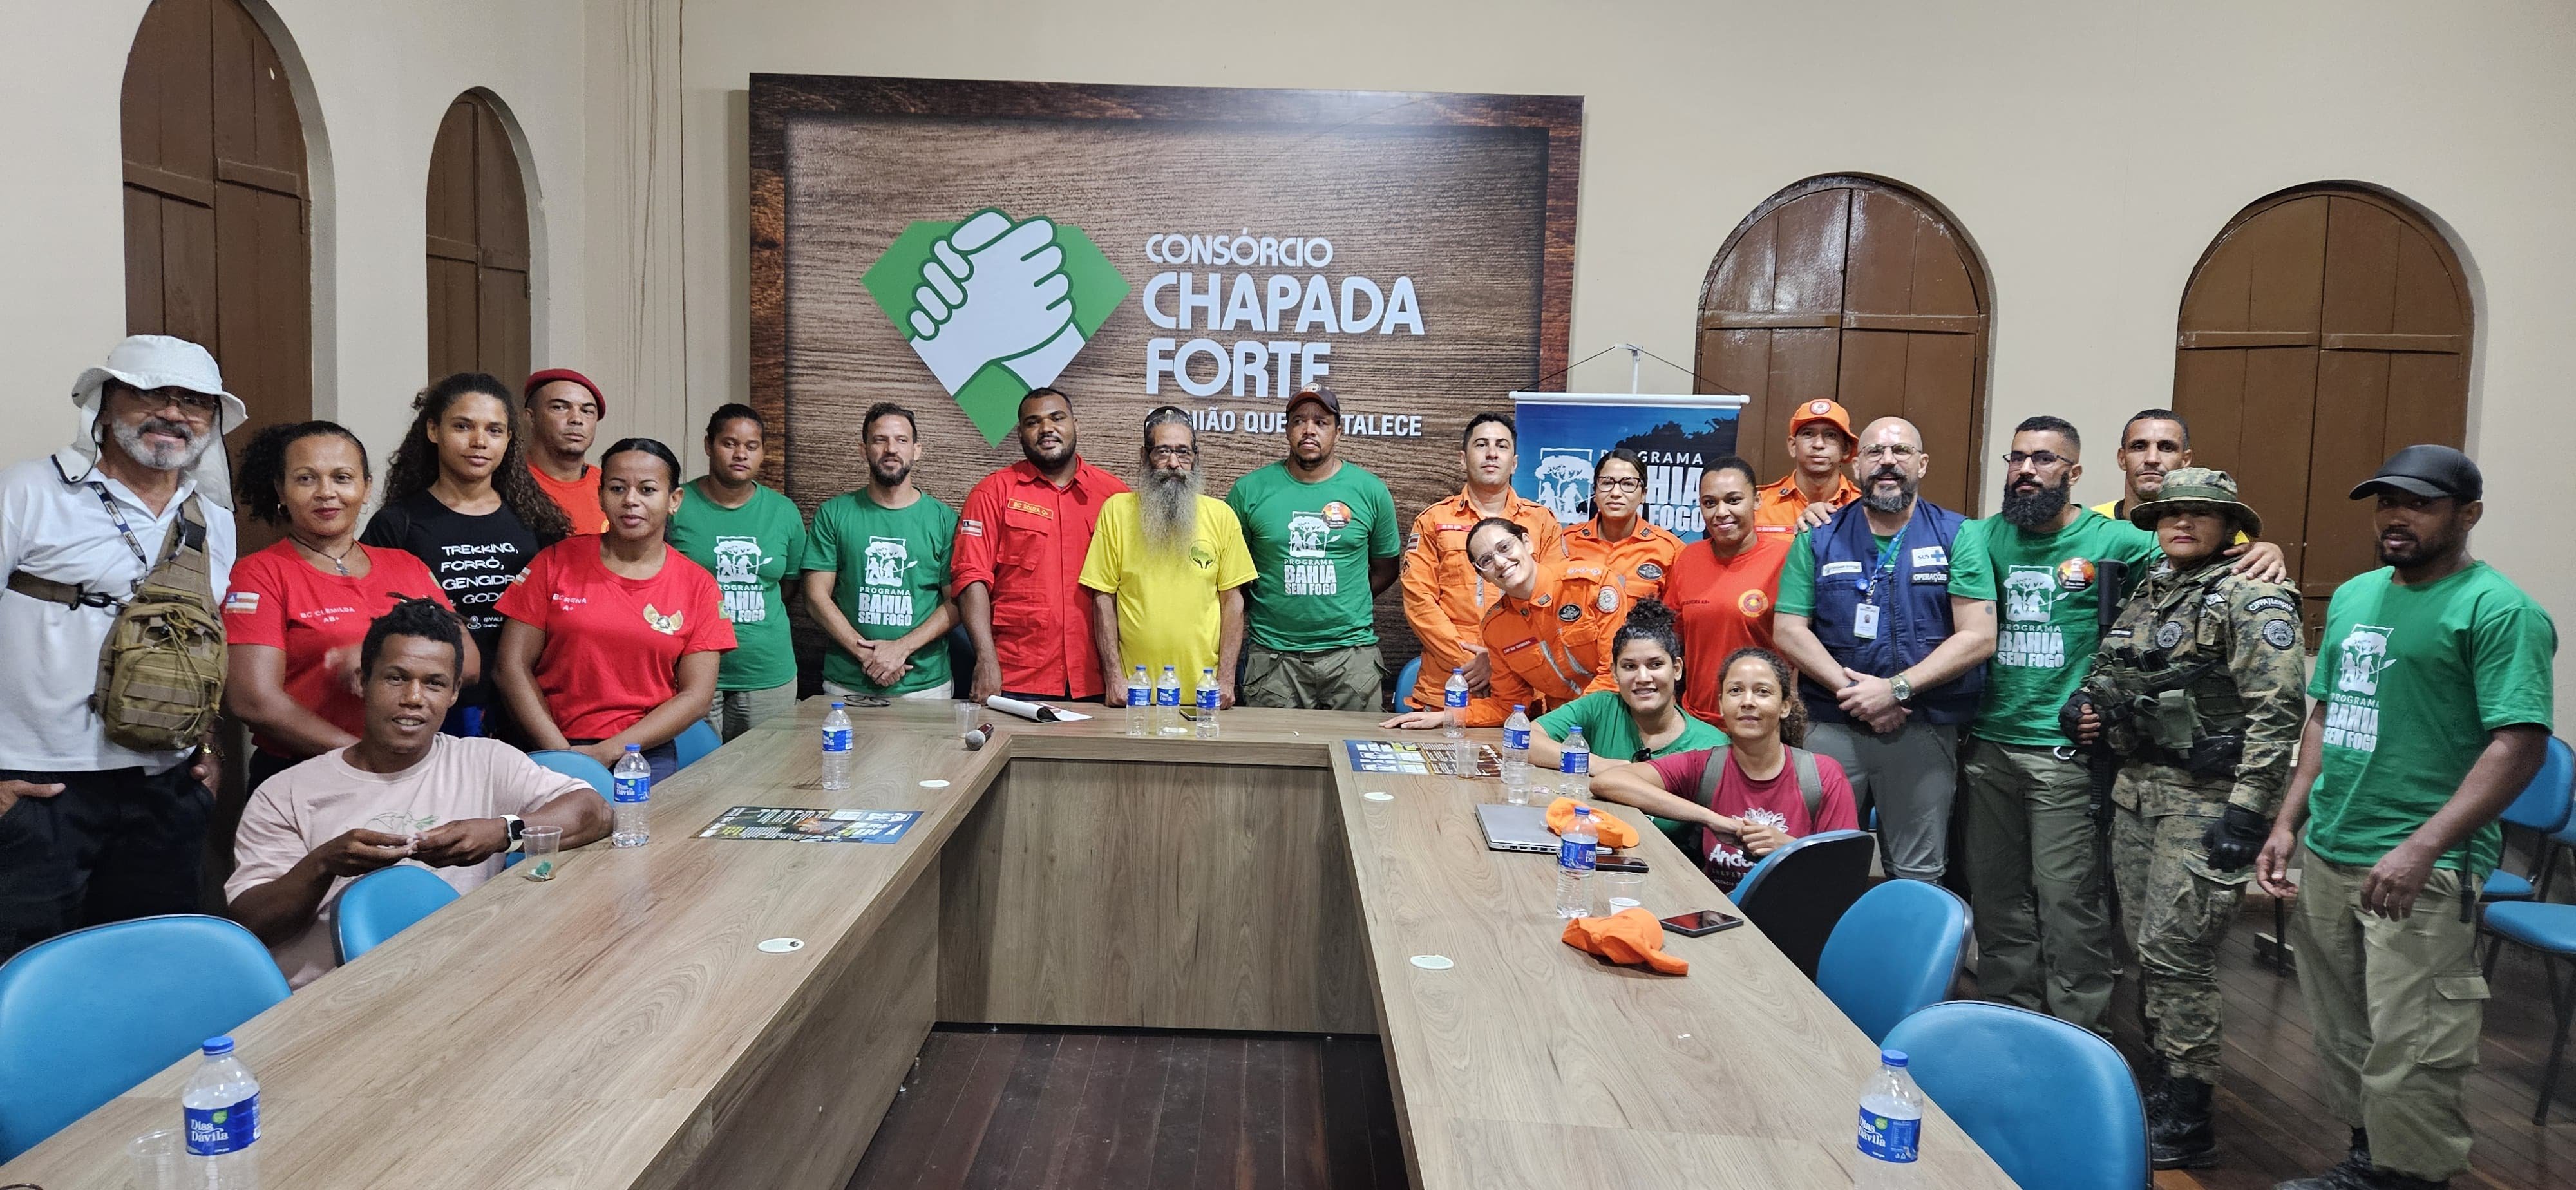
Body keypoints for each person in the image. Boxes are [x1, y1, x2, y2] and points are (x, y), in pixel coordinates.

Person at [2256, 446, 2554, 1190]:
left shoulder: (2500, 611)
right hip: (2330, 846)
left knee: (2418, 1040)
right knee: (2344, 1028)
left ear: (2468, 514)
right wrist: (2288, 823)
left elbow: (2518, 747)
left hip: (2422, 863)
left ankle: (2410, 1178)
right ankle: (2369, 1159)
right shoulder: (2357, 595)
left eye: (2418, 504)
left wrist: (2424, 847)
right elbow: (2325, 719)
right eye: (2386, 501)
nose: (2395, 517)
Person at [1948, 416, 2287, 1036]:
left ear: (2074, 473)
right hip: (1991, 745)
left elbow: (2200, 553)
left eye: (2045, 460)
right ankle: (2007, 1021)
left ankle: (2080, 1034)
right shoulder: (1981, 535)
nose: (2028, 470)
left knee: (2069, 903)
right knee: (1997, 901)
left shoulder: (2119, 541)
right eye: (2018, 458)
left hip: (2066, 757)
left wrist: (2263, 548)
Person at [2065, 468, 2304, 1169]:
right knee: (2147, 950)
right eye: (2171, 512)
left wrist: (2248, 812)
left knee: (2178, 954)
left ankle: (2190, 1112)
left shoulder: (2253, 595)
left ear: (2228, 523)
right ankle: (2163, 1081)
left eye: (2200, 514)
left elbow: (2276, 712)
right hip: (2140, 788)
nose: (2182, 523)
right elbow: (2116, 668)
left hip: (2209, 799)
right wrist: (2082, 703)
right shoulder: (2153, 588)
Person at [225, 600, 610, 988]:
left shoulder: (486, 761)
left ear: (455, 692)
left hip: (459, 982)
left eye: (434, 683)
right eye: (396, 678)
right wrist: (323, 865)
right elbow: (252, 926)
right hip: (332, 998)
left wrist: (502, 832)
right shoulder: (284, 793)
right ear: (363, 681)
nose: (414, 697)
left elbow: (594, 811)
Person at [0, 335, 238, 959]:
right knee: (23, 977)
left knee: (144, 970)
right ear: (105, 406)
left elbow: (202, 637)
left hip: (163, 786)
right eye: (151, 394)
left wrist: (205, 742)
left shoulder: (212, 516)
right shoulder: (28, 491)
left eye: (194, 402)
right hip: (40, 789)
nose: (174, 413)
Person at [1769, 417, 1994, 883]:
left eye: (1901, 452)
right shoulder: (1817, 536)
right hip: (1832, 725)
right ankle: (1814, 958)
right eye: (1875, 452)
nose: (1888, 462)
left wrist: (1897, 690)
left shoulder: (1960, 535)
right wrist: (1857, 693)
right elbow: (1789, 629)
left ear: (1923, 464)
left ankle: (1902, 956)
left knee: (1918, 872)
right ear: (1856, 465)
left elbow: (1979, 635)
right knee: (1819, 865)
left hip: (1923, 727)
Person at [223, 421, 466, 789]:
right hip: (305, 776)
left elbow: (469, 661)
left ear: (366, 488)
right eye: (306, 479)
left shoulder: (407, 565)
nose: (326, 493)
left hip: (412, 774)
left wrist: (374, 657)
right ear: (281, 490)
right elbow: (254, 701)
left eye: (342, 478)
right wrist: (362, 758)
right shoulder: (259, 574)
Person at [495, 438, 735, 784]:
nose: (631, 501)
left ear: (674, 501)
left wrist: (608, 752)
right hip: (551, 748)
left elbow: (697, 696)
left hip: (646, 754)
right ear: (600, 495)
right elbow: (511, 666)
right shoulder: (555, 562)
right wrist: (564, 754)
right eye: (618, 488)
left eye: (648, 490)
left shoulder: (697, 585)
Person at [363, 372, 573, 738]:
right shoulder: (397, 524)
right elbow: (374, 621)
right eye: (463, 426)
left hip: (529, 704)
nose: (479, 442)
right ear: (433, 430)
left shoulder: (536, 519)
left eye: (494, 431)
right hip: (436, 709)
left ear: (509, 439)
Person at [1587, 647, 1859, 889]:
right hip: (1720, 920)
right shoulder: (1704, 765)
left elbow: (1846, 874)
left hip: (1792, 926)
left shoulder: (1822, 775)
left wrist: (1788, 849)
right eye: (1735, 691)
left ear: (1785, 706)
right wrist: (1710, 818)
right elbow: (1608, 782)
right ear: (1720, 704)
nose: (1747, 702)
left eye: (1762, 692)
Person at [1225, 384, 1400, 710]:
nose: (1309, 430)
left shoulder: (1371, 491)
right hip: (1273, 658)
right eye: (1298, 421)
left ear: (1339, 430)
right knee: (1272, 759)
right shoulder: (1249, 491)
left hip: (1351, 657)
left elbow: (1387, 569)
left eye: (1321, 421)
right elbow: (1233, 576)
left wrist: (1339, 601)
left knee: (1357, 755)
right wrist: (1279, 603)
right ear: (1287, 428)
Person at [952, 387, 1130, 703]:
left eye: (1057, 418)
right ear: (1020, 433)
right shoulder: (992, 493)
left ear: (1075, 423)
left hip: (1099, 678)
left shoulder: (1114, 496)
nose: (1047, 428)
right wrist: (986, 659)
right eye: (1034, 422)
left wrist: (1120, 674)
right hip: (1016, 674)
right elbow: (971, 578)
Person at [1081, 406, 1255, 704]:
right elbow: (1103, 598)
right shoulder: (1117, 512)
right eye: (1162, 452)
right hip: (1135, 694)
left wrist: (1225, 680)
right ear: (1144, 457)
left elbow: (1233, 602)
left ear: (1195, 458)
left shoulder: (1221, 516)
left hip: (1204, 694)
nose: (1174, 463)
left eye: (1183, 453)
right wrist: (1114, 679)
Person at [1524, 598, 1725, 846]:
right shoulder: (1599, 707)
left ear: (1677, 669)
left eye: (1655, 665)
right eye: (1630, 666)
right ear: (1615, 673)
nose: (1643, 677)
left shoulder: (1712, 745)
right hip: (1590, 847)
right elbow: (1524, 739)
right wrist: (1597, 764)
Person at [1381, 517, 1613, 730]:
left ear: (1527, 543)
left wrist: (1553, 726)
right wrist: (1446, 716)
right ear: (1483, 576)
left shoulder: (1589, 586)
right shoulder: (1497, 627)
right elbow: (1506, 705)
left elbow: (1614, 674)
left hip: (1616, 719)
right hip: (1561, 729)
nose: (1500, 562)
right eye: (1486, 560)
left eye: (1505, 547)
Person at [1401, 411, 1566, 710]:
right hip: (1451, 686)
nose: (1492, 453)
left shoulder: (1541, 522)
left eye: (1502, 446)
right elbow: (1420, 603)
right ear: (1463, 459)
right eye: (1481, 445)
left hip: (1526, 690)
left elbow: (1554, 601)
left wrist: (1501, 662)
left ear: (1514, 462)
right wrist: (1473, 662)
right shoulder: (1434, 521)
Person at [667, 404, 807, 737]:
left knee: (766, 779)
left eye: (751, 446)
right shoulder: (677, 504)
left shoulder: (783, 511)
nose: (740, 454)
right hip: (690, 674)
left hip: (766, 673)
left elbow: (789, 584)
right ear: (708, 445)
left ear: (762, 453)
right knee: (693, 779)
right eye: (729, 443)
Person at [806, 402, 958, 701]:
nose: (891, 449)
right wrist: (868, 655)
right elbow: (815, 597)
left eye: (902, 440)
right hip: (848, 682)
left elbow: (958, 602)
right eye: (880, 440)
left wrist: (901, 649)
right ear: (864, 450)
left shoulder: (943, 519)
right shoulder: (834, 514)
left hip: (925, 686)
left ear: (917, 450)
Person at [1665, 457, 1792, 723]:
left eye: (1733, 500)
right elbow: (1672, 640)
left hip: (1759, 723)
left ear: (1757, 501)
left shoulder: (1787, 558)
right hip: (1695, 722)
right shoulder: (1688, 558)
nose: (1721, 512)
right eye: (1710, 503)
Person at [1562, 448, 1683, 623]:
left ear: (1643, 494)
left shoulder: (1669, 550)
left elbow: (1676, 623)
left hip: (1638, 650)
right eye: (1606, 482)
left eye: (1628, 484)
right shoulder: (1566, 542)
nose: (1616, 493)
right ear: (1595, 492)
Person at [1754, 398, 1862, 536]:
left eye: (1831, 435)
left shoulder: (1862, 507)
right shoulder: (1760, 505)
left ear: (1846, 449)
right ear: (1793, 446)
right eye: (1808, 434)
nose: (1818, 444)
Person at [522, 368, 608, 533]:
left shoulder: (610, 487)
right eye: (560, 407)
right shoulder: (507, 484)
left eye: (587, 411)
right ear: (530, 417)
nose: (576, 419)